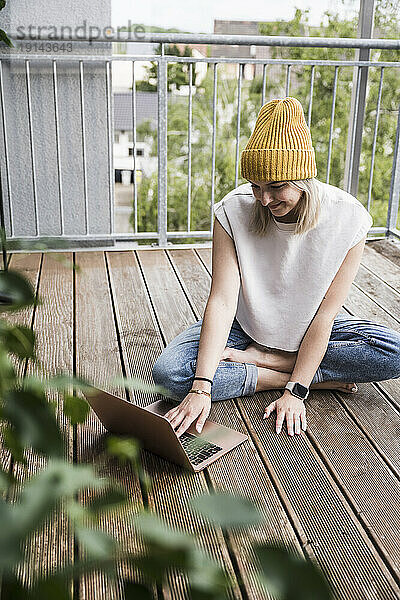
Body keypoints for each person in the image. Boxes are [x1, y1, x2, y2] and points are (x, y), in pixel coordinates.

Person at [152, 97, 400, 439]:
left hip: (312, 328)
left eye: (276, 187)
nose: (264, 200)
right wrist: (201, 389)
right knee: (169, 374)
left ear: (303, 180)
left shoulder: (350, 218)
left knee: (394, 352)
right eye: (256, 186)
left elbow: (326, 315)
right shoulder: (232, 211)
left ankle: (272, 363)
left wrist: (294, 392)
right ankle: (301, 375)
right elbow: (223, 301)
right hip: (247, 327)